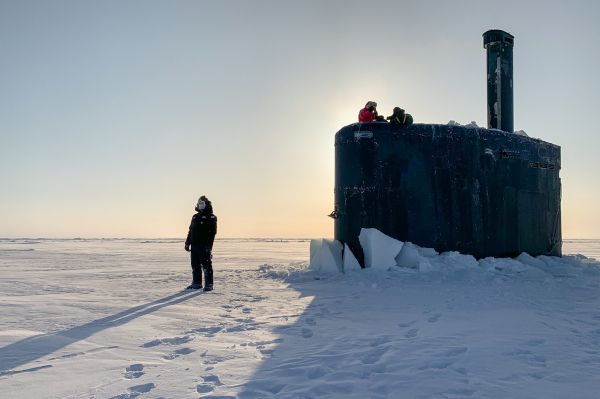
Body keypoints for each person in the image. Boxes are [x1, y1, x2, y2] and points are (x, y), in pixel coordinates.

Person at [185, 195, 217, 291]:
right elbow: (190, 231)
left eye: (202, 203)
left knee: (206, 265)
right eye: (199, 203)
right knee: (195, 265)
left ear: (206, 204)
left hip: (204, 246)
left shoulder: (211, 217)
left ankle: (209, 284)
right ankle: (197, 283)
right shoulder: (195, 217)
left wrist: (209, 246)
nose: (200, 205)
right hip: (194, 245)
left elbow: (212, 233)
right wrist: (187, 243)